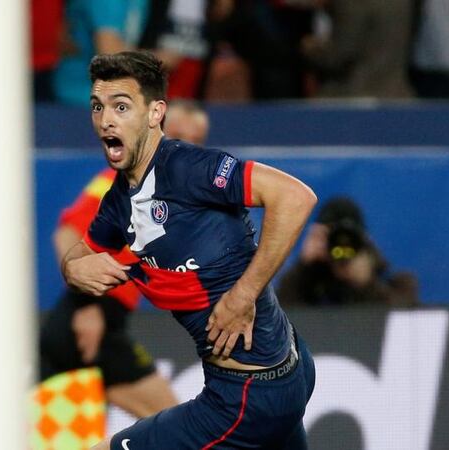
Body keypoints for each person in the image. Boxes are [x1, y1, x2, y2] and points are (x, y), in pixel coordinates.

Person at [61, 51, 317, 449]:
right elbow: (77, 251)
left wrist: (244, 293)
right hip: (283, 372)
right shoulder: (117, 202)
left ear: (155, 113)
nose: (105, 119)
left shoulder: (188, 167)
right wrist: (73, 269)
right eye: (98, 107)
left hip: (246, 397)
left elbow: (295, 197)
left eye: (121, 106)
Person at [39, 100, 209, 419]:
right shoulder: (124, 182)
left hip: (95, 325)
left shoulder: (175, 194)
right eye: (177, 134)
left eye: (195, 139)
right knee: (174, 422)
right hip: (88, 322)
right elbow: (66, 236)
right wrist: (87, 303)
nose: (185, 145)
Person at [277, 196, 419, 307]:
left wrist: (366, 282)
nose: (341, 247)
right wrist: (303, 266)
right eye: (333, 239)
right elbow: (281, 321)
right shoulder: (309, 286)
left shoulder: (400, 284)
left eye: (350, 241)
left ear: (364, 243)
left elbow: (402, 323)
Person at [300, 0, 415, 98]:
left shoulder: (354, 3)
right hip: (396, 94)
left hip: (355, 95)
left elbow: (340, 54)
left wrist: (308, 47)